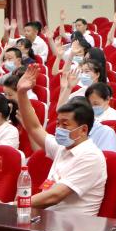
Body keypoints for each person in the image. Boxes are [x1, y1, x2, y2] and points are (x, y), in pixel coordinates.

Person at [16, 65, 106, 214]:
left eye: (65, 124)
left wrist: (14, 205)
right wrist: (22, 92)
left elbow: (55, 196)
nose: (58, 129)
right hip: (47, 219)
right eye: (58, 123)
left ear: (83, 129)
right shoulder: (63, 148)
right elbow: (34, 128)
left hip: (72, 226)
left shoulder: (91, 156)